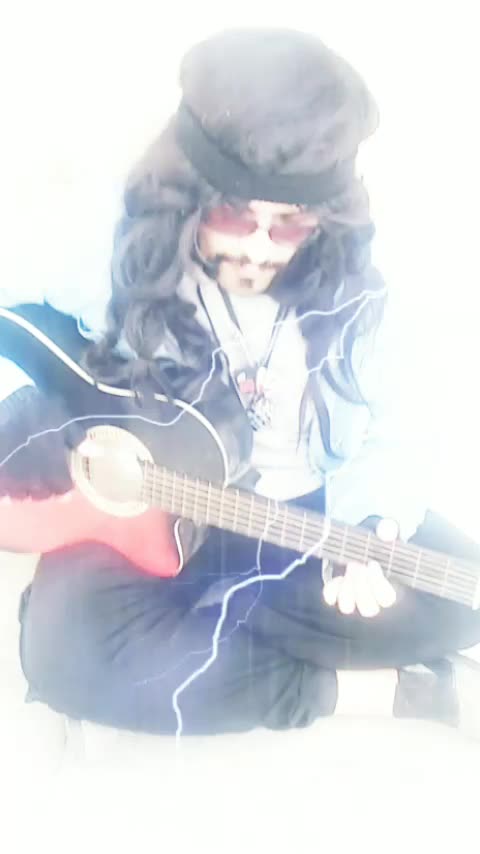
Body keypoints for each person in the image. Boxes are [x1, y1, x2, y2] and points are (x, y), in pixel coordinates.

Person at [1, 27, 480, 736]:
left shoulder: (374, 288)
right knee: (65, 656)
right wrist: (23, 408)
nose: (258, 247)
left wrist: (370, 526)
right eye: (233, 215)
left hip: (301, 520)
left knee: (457, 600)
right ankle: (367, 693)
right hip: (146, 524)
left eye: (291, 224)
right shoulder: (103, 242)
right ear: (186, 192)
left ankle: (190, 644)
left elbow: (403, 428)